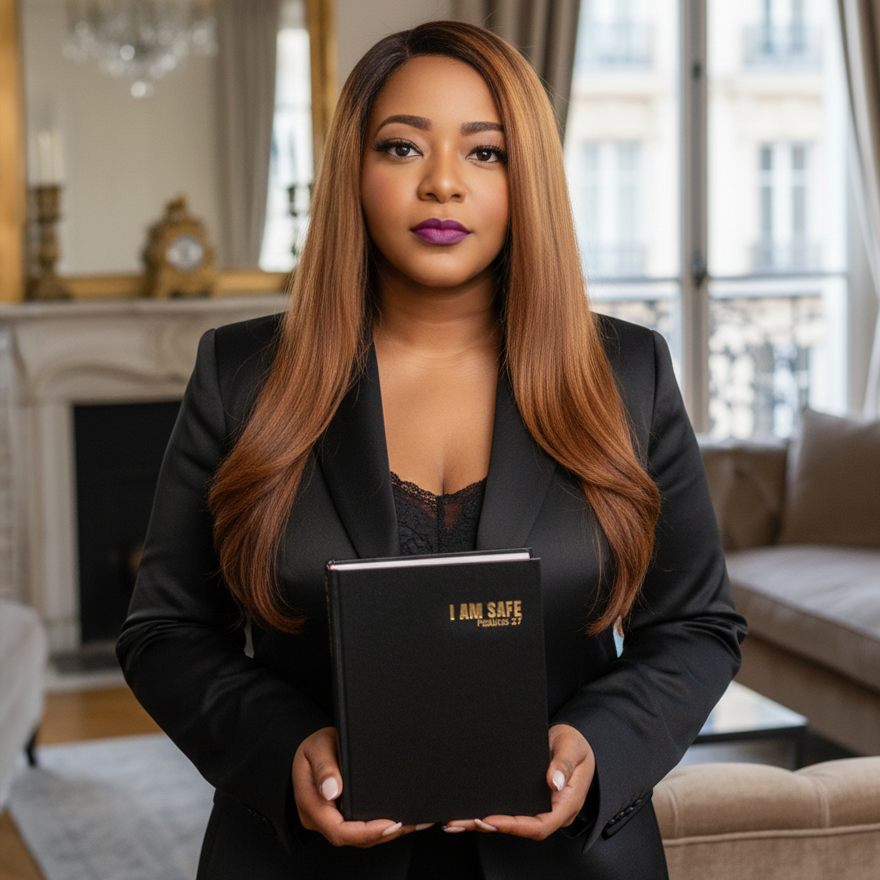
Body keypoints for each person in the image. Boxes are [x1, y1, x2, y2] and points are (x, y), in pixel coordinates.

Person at [117, 20, 746, 880]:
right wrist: (288, 747)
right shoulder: (242, 374)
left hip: (570, 863)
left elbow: (698, 627)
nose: (443, 184)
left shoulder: (627, 373)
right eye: (403, 147)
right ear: (354, 172)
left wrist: (597, 746)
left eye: (484, 154)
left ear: (529, 178)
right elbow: (166, 633)